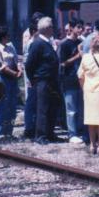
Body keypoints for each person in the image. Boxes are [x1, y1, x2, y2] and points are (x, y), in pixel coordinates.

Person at [25, 17, 62, 145]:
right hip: (42, 80)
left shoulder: (47, 43)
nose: (53, 29)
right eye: (52, 26)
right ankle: (40, 135)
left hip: (52, 80)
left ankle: (50, 133)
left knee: (52, 107)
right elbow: (29, 65)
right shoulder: (37, 44)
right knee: (42, 108)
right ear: (46, 29)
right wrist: (33, 80)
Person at [58, 18, 85, 144]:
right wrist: (77, 56)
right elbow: (62, 64)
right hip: (69, 79)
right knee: (71, 109)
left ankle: (80, 131)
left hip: (81, 79)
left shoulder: (81, 42)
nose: (81, 29)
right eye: (78, 27)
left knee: (80, 108)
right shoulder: (64, 44)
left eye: (81, 27)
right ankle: (72, 133)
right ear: (71, 28)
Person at [0, 27, 21, 140]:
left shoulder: (11, 47)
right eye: (7, 36)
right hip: (3, 78)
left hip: (13, 78)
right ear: (2, 37)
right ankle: (0, 131)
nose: (9, 37)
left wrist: (19, 69)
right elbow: (1, 66)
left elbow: (16, 60)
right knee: (2, 105)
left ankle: (9, 130)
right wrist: (14, 73)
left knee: (12, 105)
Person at [23, 12, 44, 139]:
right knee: (31, 100)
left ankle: (33, 125)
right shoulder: (31, 40)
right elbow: (29, 61)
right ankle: (29, 127)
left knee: (35, 100)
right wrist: (30, 78)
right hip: (32, 74)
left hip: (35, 73)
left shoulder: (37, 40)